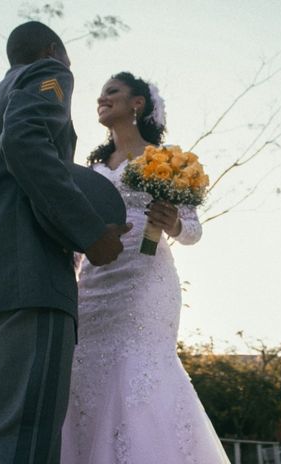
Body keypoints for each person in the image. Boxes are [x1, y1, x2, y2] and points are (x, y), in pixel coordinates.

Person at [0, 22, 130, 464]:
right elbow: (23, 139)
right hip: (30, 288)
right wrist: (89, 234)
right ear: (54, 52)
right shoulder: (47, 76)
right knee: (22, 443)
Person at [61, 72, 231, 463]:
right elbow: (75, 231)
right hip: (93, 284)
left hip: (145, 280)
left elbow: (192, 231)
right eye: (101, 93)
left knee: (137, 366)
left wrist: (171, 221)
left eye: (112, 92)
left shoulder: (166, 159)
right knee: (85, 374)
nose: (101, 98)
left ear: (137, 103)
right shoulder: (92, 167)